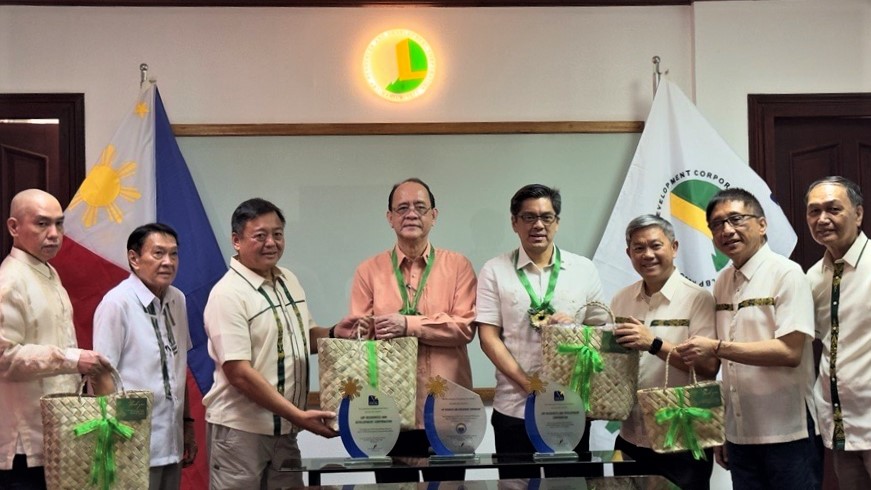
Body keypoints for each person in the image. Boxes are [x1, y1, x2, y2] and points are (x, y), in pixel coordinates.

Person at [203, 198, 359, 489]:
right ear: (236, 240)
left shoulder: (289, 280)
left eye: (277, 234)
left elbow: (302, 338)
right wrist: (298, 415)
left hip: (286, 432)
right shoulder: (227, 294)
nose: (271, 243)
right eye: (260, 236)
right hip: (241, 434)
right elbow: (239, 373)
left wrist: (335, 332)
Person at [677, 188, 822, 490]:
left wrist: (717, 348)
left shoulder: (787, 273)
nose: (727, 230)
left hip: (787, 432)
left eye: (736, 219)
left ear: (762, 224)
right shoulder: (722, 280)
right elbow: (726, 370)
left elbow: (790, 352)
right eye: (717, 224)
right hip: (739, 434)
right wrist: (723, 428)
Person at [350, 178, 477, 483]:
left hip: (448, 409)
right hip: (389, 411)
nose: (411, 214)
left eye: (420, 207)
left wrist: (407, 325)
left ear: (434, 215)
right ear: (390, 217)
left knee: (449, 489)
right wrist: (367, 330)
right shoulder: (368, 271)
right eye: (402, 208)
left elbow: (464, 327)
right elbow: (360, 340)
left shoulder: (458, 266)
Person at [477, 184, 606, 480]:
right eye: (529, 217)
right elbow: (487, 337)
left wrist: (575, 330)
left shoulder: (583, 269)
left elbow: (602, 330)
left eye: (547, 217)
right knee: (516, 485)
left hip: (570, 408)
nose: (538, 225)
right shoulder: (494, 270)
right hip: (514, 409)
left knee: (570, 486)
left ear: (557, 222)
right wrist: (527, 384)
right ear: (514, 222)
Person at [0, 189, 112, 489]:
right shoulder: (9, 280)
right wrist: (73, 359)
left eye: (59, 224)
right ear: (14, 227)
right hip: (24, 443)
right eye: (42, 224)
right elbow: (4, 358)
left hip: (58, 432)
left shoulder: (47, 272)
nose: (54, 234)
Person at [610, 214, 717, 489]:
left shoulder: (698, 299)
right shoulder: (621, 299)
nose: (648, 255)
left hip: (682, 439)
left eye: (656, 245)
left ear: (674, 247)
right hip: (630, 437)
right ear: (629, 253)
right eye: (638, 248)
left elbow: (708, 368)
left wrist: (654, 344)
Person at [92, 223, 195, 490]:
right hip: (130, 443)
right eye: (158, 253)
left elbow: (178, 366)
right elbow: (101, 375)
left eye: (173, 254)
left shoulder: (178, 299)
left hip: (172, 439)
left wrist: (187, 423)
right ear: (134, 258)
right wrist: (115, 437)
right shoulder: (117, 303)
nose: (168, 262)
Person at [805, 176, 870, 488]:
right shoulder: (812, 277)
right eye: (814, 211)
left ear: (858, 214)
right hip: (840, 427)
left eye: (833, 209)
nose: (822, 219)